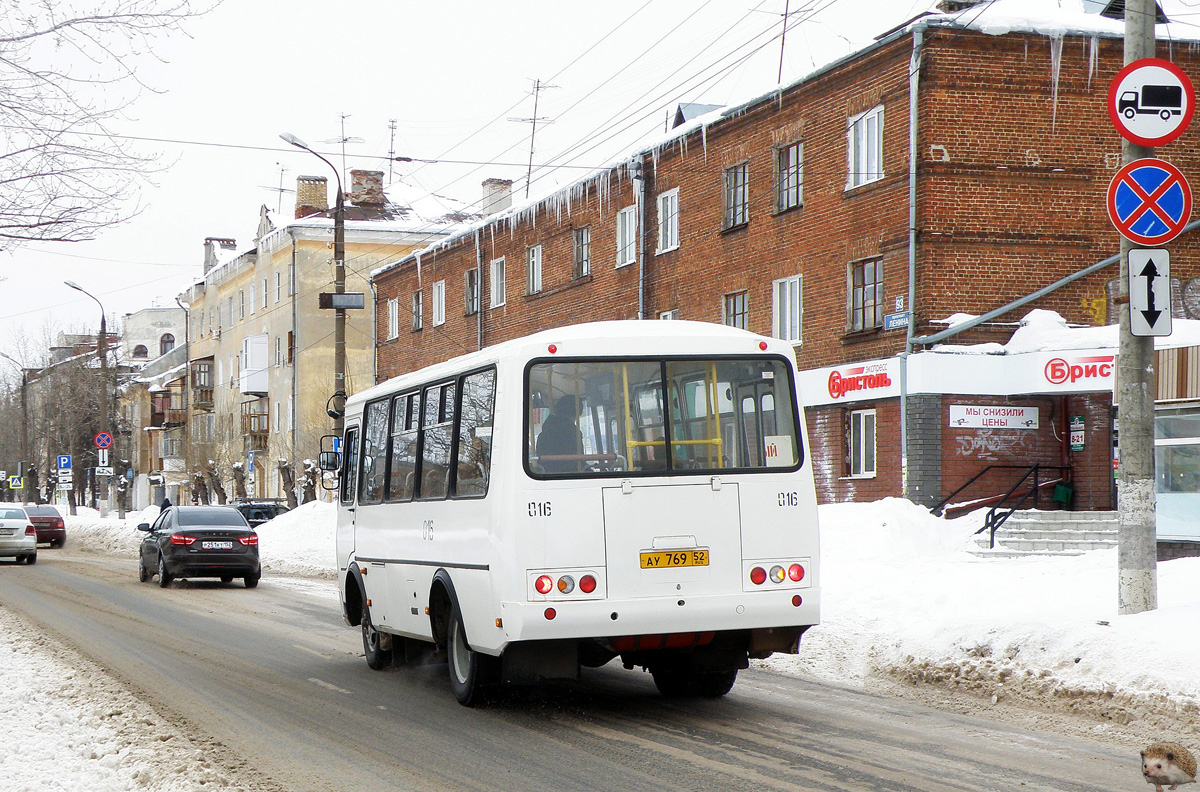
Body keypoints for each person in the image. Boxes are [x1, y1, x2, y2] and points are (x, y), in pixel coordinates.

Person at [536, 395, 584, 473]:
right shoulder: (572, 433)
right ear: (576, 413)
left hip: (546, 473)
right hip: (569, 475)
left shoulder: (545, 432)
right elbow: (578, 461)